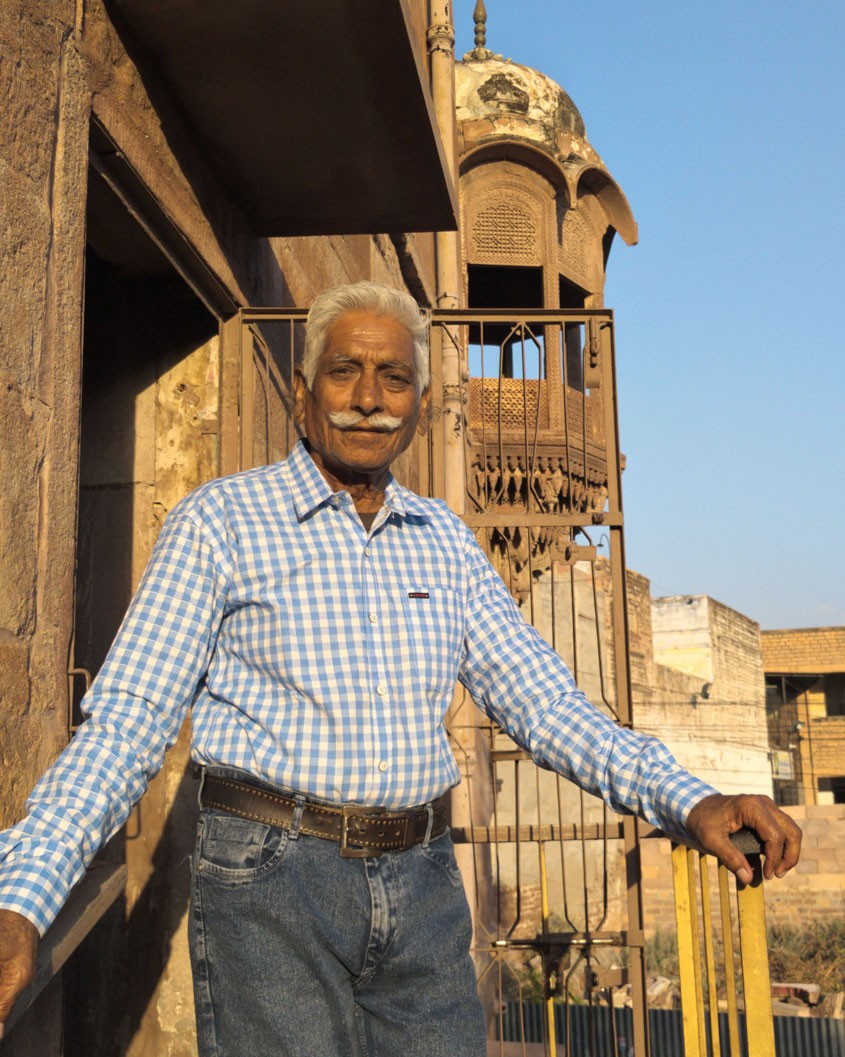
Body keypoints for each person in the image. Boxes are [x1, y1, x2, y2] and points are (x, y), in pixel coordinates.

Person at [0, 282, 801, 1054]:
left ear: (419, 403)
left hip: (420, 883)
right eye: (344, 369)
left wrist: (688, 798)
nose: (368, 396)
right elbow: (128, 722)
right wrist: (24, 898)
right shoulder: (221, 522)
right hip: (271, 881)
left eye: (394, 377)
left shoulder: (443, 540)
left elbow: (548, 705)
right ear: (300, 386)